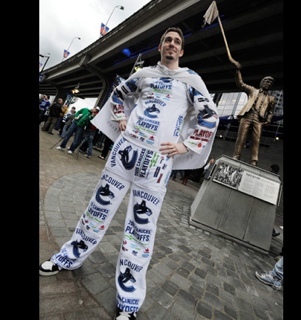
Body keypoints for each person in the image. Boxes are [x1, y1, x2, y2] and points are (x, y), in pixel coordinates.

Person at [39, 27, 219, 320]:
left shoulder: (191, 81)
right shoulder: (144, 75)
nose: (171, 45)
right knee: (97, 210)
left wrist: (185, 144)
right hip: (123, 157)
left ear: (182, 51)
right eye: (167, 41)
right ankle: (68, 257)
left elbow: (209, 116)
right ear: (160, 47)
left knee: (140, 231)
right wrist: (120, 117)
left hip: (156, 167)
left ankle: (129, 301)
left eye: (177, 42)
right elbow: (118, 94)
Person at [231, 61, 276, 166]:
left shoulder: (271, 99)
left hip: (259, 119)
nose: (268, 84)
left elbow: (270, 112)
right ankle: (236, 155)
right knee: (241, 137)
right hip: (247, 115)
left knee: (257, 140)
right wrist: (238, 70)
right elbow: (240, 84)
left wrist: (268, 120)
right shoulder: (252, 90)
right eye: (266, 81)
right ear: (262, 82)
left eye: (270, 83)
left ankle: (253, 161)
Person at [270, 164, 281, 237]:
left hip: (269, 200)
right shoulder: (278, 179)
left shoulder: (272, 176)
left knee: (268, 219)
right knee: (269, 218)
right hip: (272, 200)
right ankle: (272, 231)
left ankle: (272, 231)